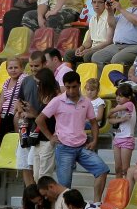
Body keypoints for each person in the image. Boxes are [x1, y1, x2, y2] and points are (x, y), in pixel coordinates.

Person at [39, 72, 110, 202]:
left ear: (79, 85)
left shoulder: (86, 101)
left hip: (82, 145)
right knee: (65, 185)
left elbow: (94, 123)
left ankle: (96, 204)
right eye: (68, 87)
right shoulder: (57, 100)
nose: (71, 90)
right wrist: (50, 137)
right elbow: (40, 119)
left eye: (74, 87)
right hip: (64, 147)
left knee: (102, 169)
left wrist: (94, 141)